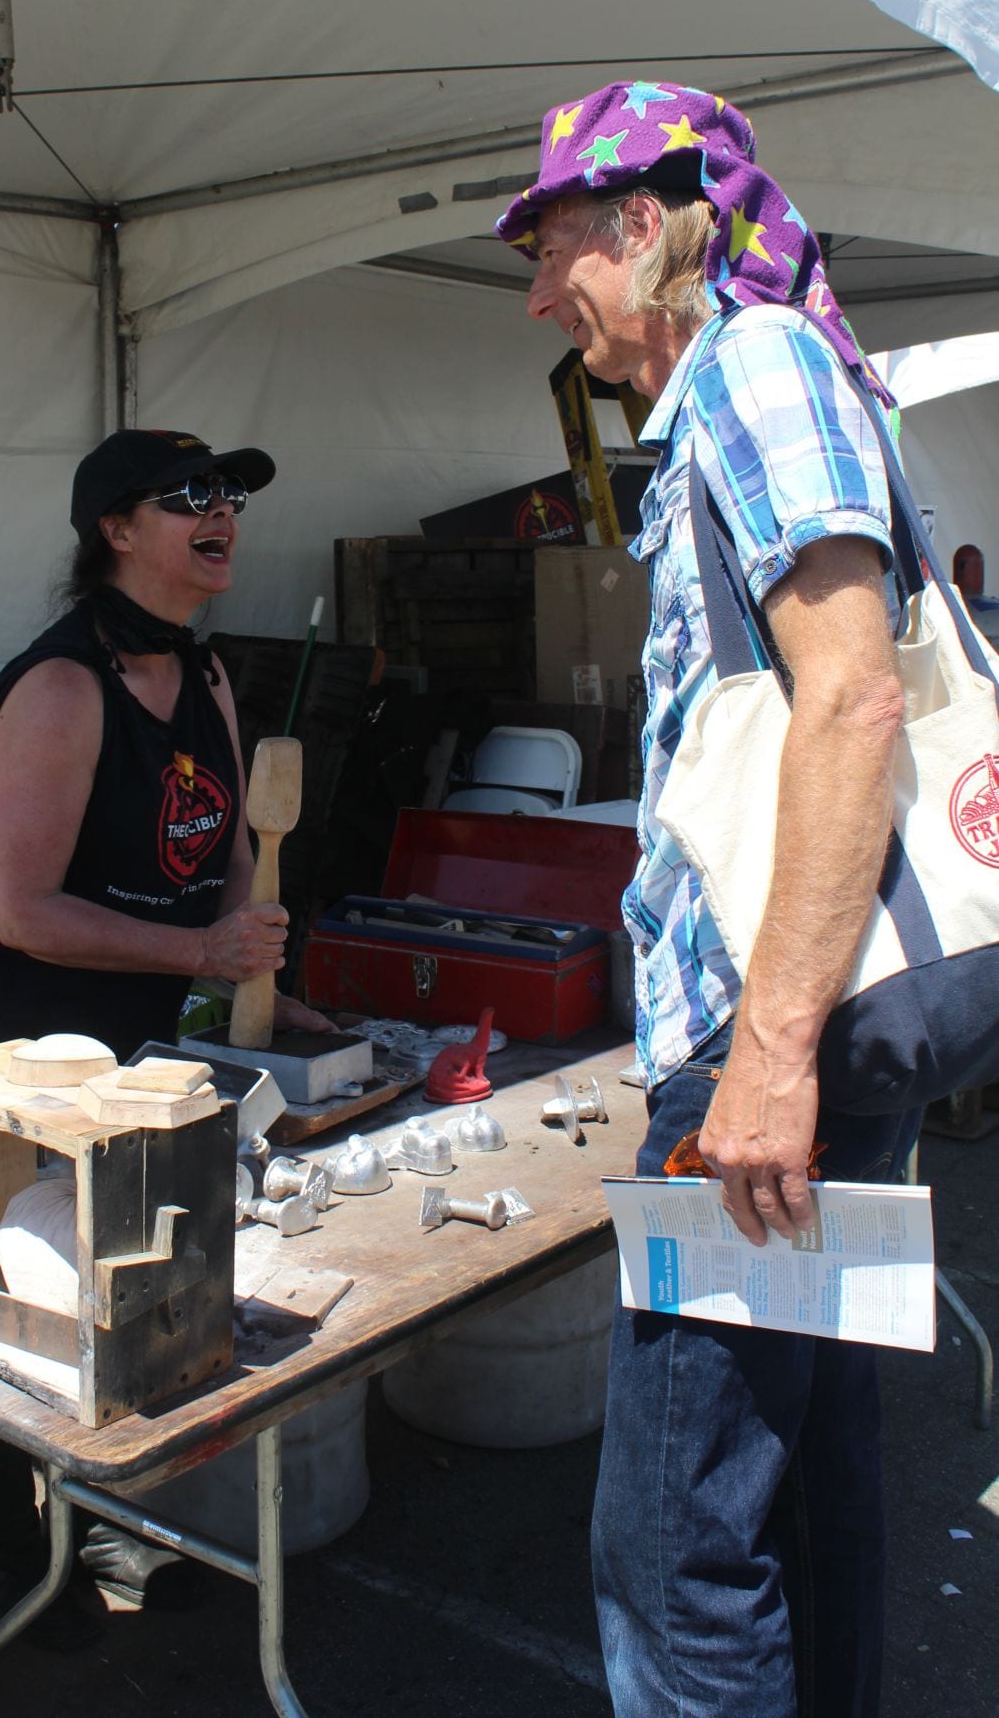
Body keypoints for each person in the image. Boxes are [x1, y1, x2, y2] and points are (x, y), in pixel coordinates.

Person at [496, 83, 919, 1717]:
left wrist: (767, 1053)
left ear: (642, 223)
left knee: (675, 1537)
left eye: (553, 252)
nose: (543, 297)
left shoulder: (754, 364)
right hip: (794, 1031)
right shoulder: (767, 373)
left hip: (766, 1047)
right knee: (800, 1474)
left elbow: (854, 700)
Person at [0, 425, 332, 1637]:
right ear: (116, 529)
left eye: (233, 495)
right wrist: (202, 953)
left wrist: (253, 978)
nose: (224, 514)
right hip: (1, 1045)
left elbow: (233, 853)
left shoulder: (206, 677)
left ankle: (97, 1508)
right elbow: (21, 909)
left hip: (122, 1037)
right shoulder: (60, 687)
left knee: (111, 1279)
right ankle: (6, 1545)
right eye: (192, 495)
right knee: (2, 1293)